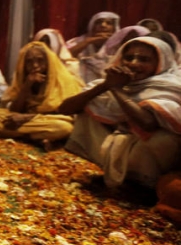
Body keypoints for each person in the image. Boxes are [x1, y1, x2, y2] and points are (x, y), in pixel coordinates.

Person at [59, 37, 181, 190]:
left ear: (160, 64)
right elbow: (64, 109)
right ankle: (119, 176)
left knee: (162, 139)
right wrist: (105, 86)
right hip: (123, 145)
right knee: (86, 110)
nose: (133, 63)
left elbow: (147, 124)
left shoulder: (170, 86)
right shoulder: (112, 81)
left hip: (151, 151)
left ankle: (144, 185)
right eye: (128, 57)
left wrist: (116, 89)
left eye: (143, 59)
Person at [0, 41, 84, 150]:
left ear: (48, 61)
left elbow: (66, 113)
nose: (35, 66)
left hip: (50, 120)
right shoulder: (23, 78)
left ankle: (26, 136)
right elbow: (15, 110)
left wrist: (26, 117)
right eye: (29, 62)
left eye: (40, 60)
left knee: (64, 128)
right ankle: (37, 137)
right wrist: (27, 85)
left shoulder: (64, 80)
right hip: (32, 122)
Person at [66, 11, 120, 83]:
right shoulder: (78, 41)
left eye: (108, 23)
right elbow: (65, 57)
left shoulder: (119, 44)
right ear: (92, 25)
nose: (103, 25)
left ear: (114, 28)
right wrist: (88, 41)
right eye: (98, 22)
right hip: (79, 83)